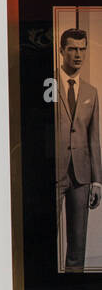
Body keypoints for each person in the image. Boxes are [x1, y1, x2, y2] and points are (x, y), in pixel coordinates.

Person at [55, 28, 102, 271]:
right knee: (43, 241)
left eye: (82, 49)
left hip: (82, 177)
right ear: (61, 50)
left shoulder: (91, 92)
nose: (78, 55)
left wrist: (97, 181)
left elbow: (94, 139)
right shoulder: (47, 85)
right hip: (52, 174)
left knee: (77, 247)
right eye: (72, 48)